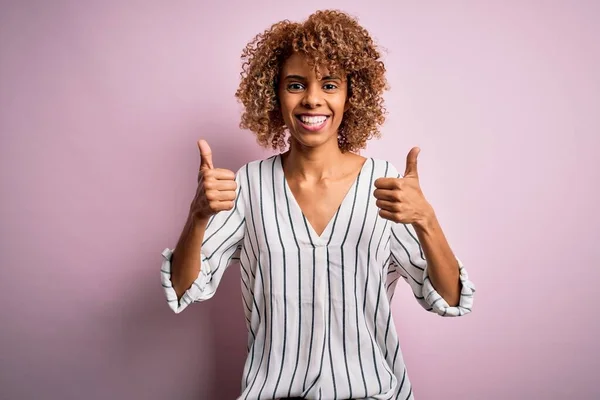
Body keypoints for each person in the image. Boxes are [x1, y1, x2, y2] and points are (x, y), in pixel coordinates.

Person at [160, 9, 476, 400]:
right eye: (296, 85)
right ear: (274, 94)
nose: (312, 99)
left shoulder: (385, 184)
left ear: (350, 96)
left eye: (329, 85)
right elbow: (183, 287)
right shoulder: (250, 186)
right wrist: (198, 216)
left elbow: (448, 299)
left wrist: (426, 219)